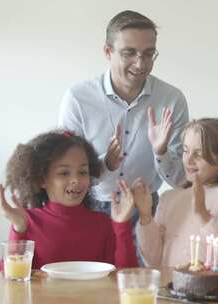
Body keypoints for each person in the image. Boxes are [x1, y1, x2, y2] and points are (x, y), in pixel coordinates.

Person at [58, 10, 189, 224]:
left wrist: (161, 152)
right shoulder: (78, 98)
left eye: (148, 54)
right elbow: (65, 172)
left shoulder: (172, 99)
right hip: (89, 208)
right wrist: (106, 164)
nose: (140, 64)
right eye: (129, 53)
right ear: (108, 52)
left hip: (147, 209)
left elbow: (180, 180)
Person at [0, 130, 138, 269]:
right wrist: (19, 230)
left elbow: (127, 278)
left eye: (83, 172)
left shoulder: (103, 224)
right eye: (64, 173)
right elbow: (11, 278)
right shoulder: (26, 221)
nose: (76, 180)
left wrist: (122, 225)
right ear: (41, 179)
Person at [125, 118, 218, 267]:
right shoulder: (169, 198)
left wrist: (203, 214)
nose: (189, 159)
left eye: (198, 153)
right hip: (170, 288)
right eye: (186, 150)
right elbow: (153, 261)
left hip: (213, 288)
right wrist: (145, 216)